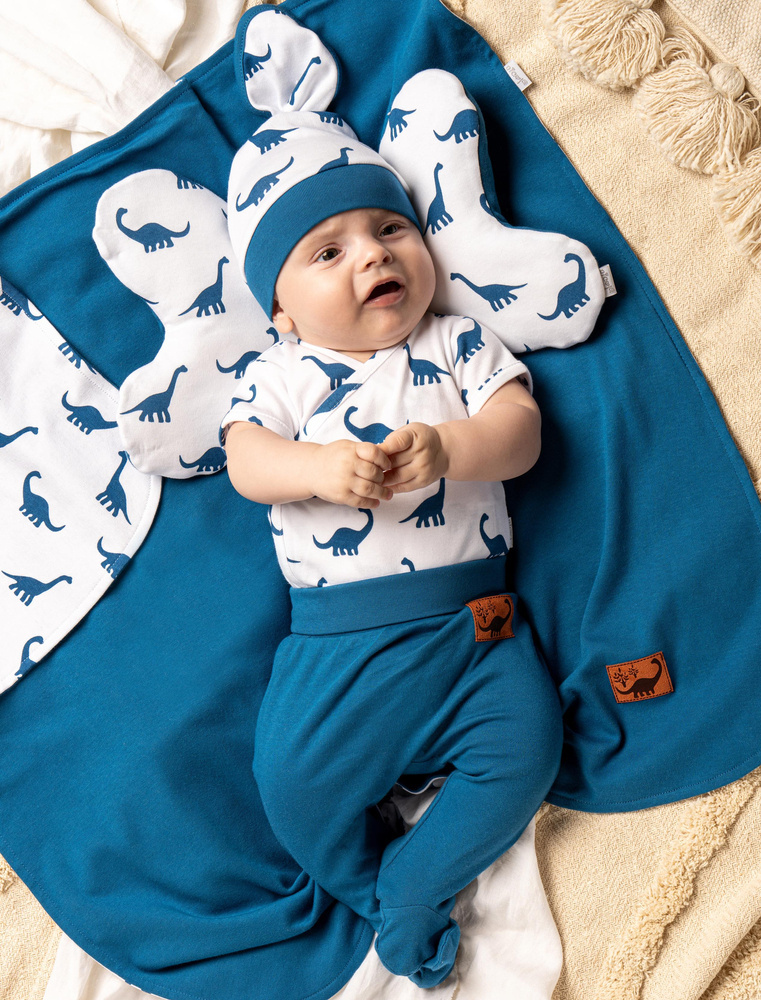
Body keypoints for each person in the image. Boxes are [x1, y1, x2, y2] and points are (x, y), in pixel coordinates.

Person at [222, 109, 563, 989]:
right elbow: (246, 461)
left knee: (528, 749)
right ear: (280, 311)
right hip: (339, 649)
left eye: (389, 228)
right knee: (289, 784)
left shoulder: (456, 342)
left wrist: (449, 448)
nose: (372, 256)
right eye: (327, 252)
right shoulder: (279, 374)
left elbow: (521, 432)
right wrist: (315, 468)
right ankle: (368, 888)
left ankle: (414, 886)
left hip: (474, 634)